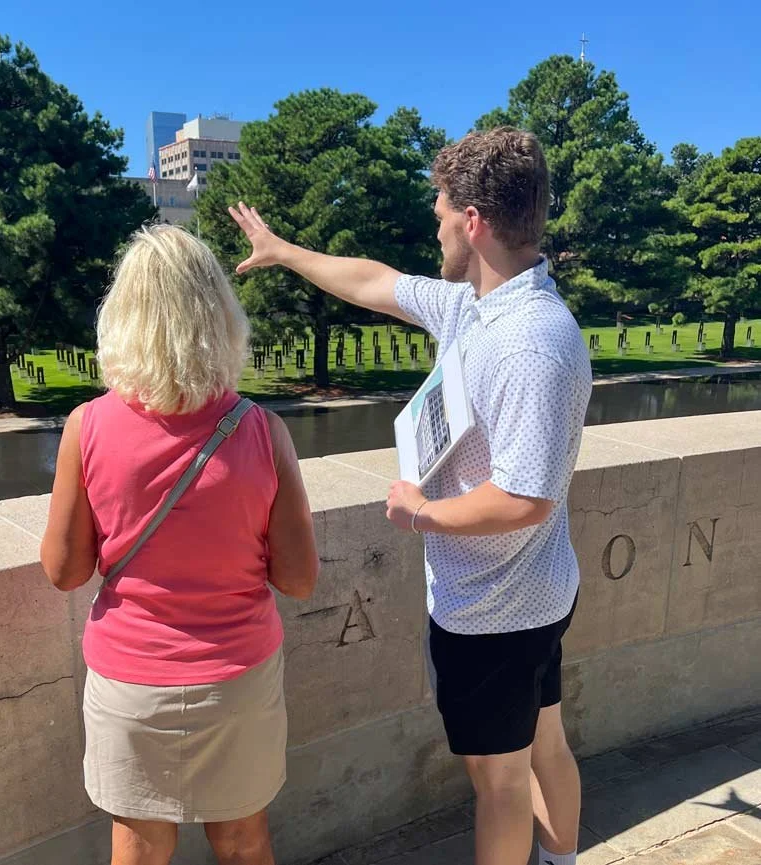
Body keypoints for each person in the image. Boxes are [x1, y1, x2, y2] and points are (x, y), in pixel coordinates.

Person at [229, 126, 592, 865]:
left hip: (494, 613)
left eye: (438, 212)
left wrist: (419, 512)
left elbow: (525, 499)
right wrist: (284, 252)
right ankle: (561, 859)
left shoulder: (528, 340)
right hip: (532, 596)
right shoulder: (478, 307)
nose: (433, 225)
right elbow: (373, 281)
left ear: (473, 222)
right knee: (544, 737)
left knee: (499, 781)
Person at [40, 225, 319, 865]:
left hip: (131, 679)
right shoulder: (261, 431)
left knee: (138, 849)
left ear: (123, 317)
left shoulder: (87, 427)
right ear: (218, 316)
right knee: (245, 840)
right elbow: (300, 580)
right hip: (238, 676)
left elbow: (64, 571)